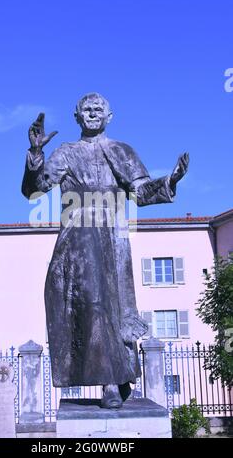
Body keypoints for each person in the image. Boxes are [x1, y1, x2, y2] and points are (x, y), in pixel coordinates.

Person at [22, 93, 189, 408]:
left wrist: (170, 180)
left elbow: (140, 192)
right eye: (86, 109)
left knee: (108, 306)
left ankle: (113, 381)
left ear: (110, 116)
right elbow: (34, 189)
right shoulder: (65, 152)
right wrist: (35, 153)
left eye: (98, 109)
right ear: (77, 116)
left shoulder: (122, 152)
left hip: (112, 237)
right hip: (76, 238)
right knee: (83, 305)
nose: (92, 113)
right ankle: (110, 378)